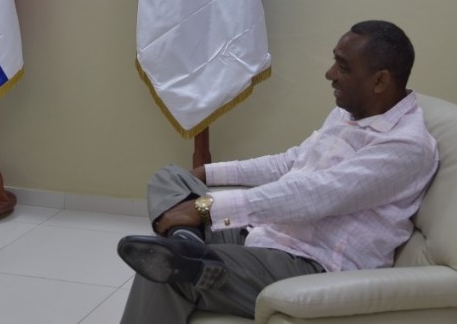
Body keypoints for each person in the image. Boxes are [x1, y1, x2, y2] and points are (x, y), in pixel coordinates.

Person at [117, 20, 439, 322]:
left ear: (379, 81)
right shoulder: (351, 113)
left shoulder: (406, 147)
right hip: (267, 233)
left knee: (164, 268)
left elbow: (315, 195)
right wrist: (208, 174)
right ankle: (186, 240)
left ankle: (186, 248)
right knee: (170, 177)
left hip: (310, 263)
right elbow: (290, 162)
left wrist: (206, 209)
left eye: (343, 67)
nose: (330, 74)